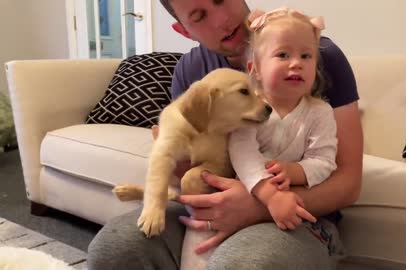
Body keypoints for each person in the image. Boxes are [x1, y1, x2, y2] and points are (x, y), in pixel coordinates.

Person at [87, 1, 363, 269]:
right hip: (214, 202)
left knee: (243, 263)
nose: (221, 19)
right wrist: (175, 157)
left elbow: (349, 182)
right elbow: (191, 172)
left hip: (302, 216)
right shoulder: (191, 71)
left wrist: (259, 205)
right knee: (116, 248)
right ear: (184, 31)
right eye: (198, 16)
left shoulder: (312, 48)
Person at [229, 8, 337, 232]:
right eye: (283, 55)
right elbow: (241, 152)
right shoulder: (248, 109)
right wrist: (269, 195)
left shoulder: (321, 112)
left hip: (293, 204)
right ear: (255, 69)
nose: (296, 63)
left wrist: (294, 170)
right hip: (244, 198)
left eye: (306, 56)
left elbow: (324, 160)